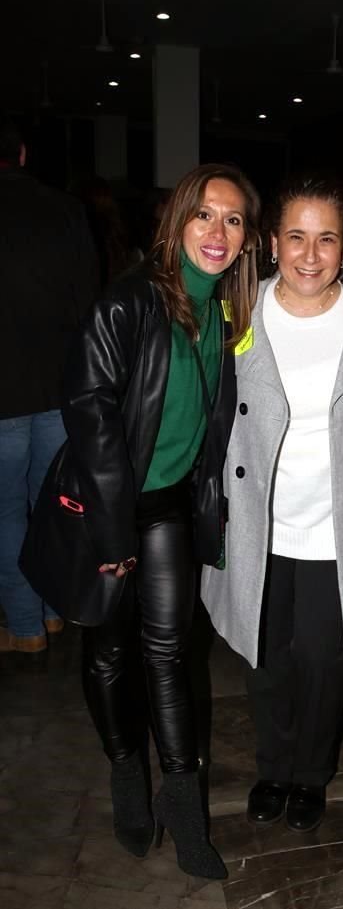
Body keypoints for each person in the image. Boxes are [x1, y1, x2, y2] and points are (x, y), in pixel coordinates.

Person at [61, 163, 260, 877]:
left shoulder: (225, 314)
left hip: (171, 505)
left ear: (246, 239)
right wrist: (112, 533)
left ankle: (185, 812)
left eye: (233, 219)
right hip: (113, 509)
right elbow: (89, 414)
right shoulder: (128, 303)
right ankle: (124, 772)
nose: (218, 231)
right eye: (205, 215)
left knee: (169, 655)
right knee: (110, 653)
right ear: (175, 222)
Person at [200, 176, 343, 833]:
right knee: (264, 660)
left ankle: (310, 773)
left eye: (326, 238)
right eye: (295, 236)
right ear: (272, 242)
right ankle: (273, 767)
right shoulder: (238, 310)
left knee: (323, 662)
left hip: (340, 528)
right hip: (259, 523)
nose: (309, 254)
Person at [0, 113, 100, 654]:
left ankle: (24, 626)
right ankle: (57, 610)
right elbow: (89, 304)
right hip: (59, 390)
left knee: (5, 512)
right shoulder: (65, 210)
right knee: (52, 507)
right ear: (21, 156)